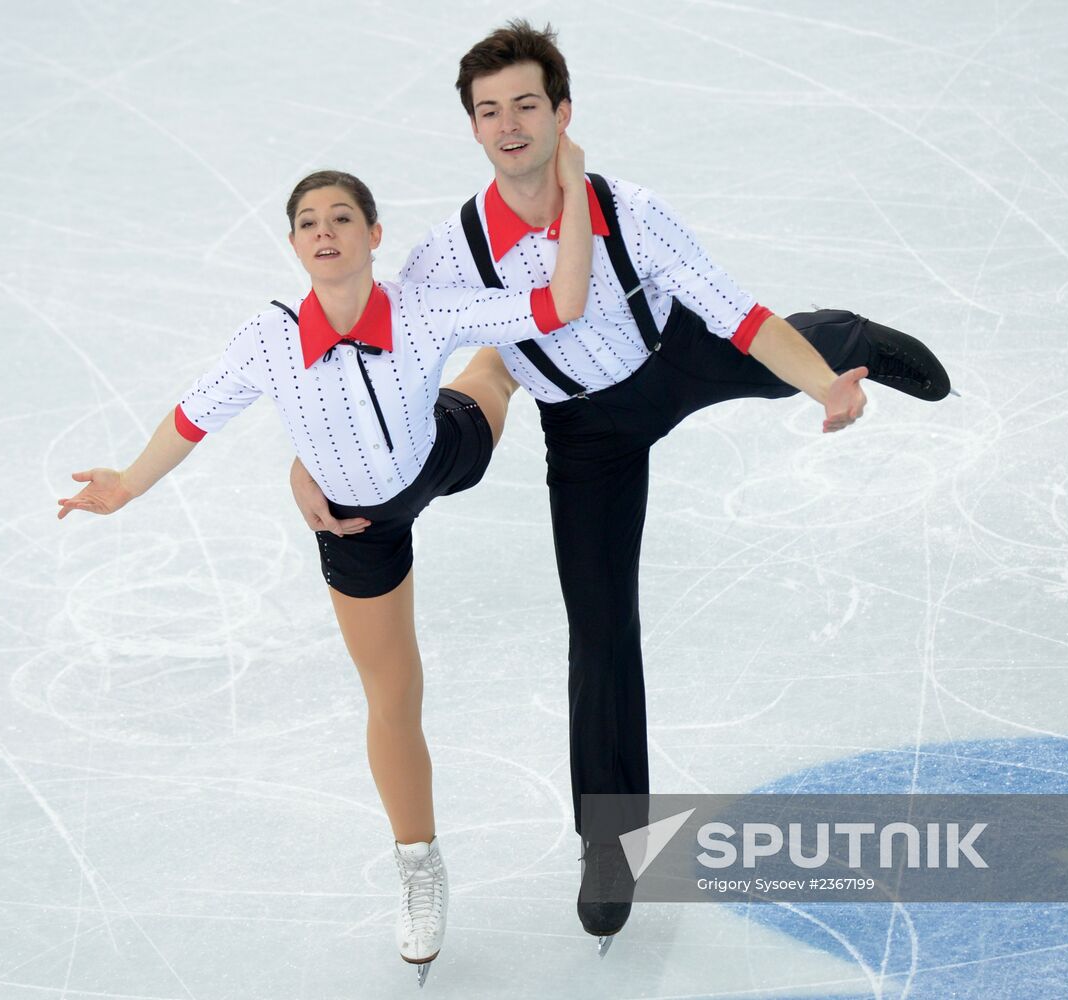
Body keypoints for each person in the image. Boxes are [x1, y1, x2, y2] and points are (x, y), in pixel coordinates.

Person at [288, 20, 952, 952]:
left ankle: (848, 342)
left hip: (669, 355)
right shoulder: (450, 252)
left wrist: (819, 388)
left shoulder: (628, 207)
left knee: (781, 355)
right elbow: (376, 351)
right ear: (473, 129)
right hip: (586, 431)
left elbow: (737, 313)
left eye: (527, 104)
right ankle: (609, 840)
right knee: (599, 625)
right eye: (490, 111)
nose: (510, 124)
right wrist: (306, 455)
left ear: (562, 113)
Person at [57, 137, 593, 984]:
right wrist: (127, 482)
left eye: (342, 216)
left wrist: (568, 185)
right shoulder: (267, 341)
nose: (324, 230)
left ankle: (497, 362)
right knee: (394, 695)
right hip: (357, 525)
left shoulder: (419, 307)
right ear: (295, 244)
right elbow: (193, 419)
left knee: (488, 384)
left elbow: (563, 301)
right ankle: (419, 866)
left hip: (438, 453)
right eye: (308, 221)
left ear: (375, 234)